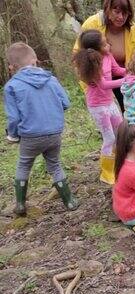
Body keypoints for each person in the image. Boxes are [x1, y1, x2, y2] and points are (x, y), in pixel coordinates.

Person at [3, 42, 79, 216]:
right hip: (54, 133)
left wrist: (13, 135)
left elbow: (13, 118)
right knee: (55, 165)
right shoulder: (51, 79)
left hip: (30, 136)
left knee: (23, 166)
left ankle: (21, 205)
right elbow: (66, 103)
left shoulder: (11, 87)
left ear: (11, 67)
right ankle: (69, 201)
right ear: (35, 60)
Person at [73, 29, 126, 185]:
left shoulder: (109, 56)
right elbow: (103, 85)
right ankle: (106, 172)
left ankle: (119, 164)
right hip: (98, 106)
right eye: (104, 44)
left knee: (121, 131)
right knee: (109, 137)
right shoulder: (92, 63)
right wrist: (127, 81)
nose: (108, 45)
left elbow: (117, 70)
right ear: (95, 49)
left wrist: (131, 70)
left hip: (109, 103)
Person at [73, 0, 135, 112]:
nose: (121, 17)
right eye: (116, 12)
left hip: (124, 73)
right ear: (108, 9)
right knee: (109, 114)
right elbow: (78, 54)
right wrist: (87, 78)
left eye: (125, 13)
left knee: (132, 111)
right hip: (99, 78)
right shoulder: (92, 24)